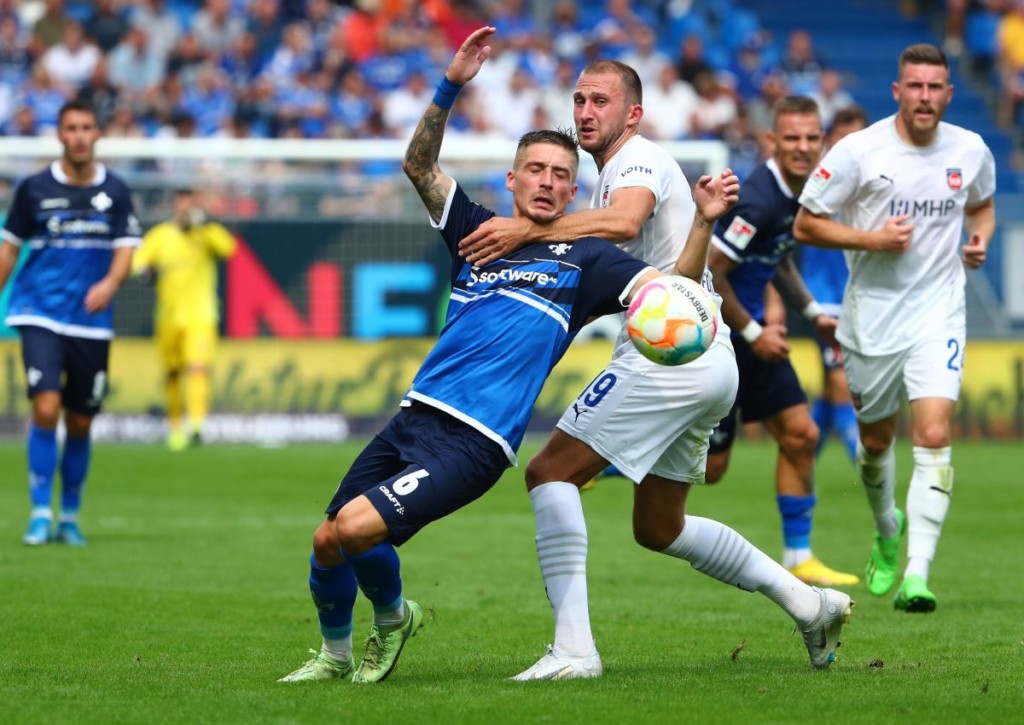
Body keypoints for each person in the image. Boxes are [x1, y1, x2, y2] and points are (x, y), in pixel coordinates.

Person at [277, 26, 744, 685]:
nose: (549, 182)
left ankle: (392, 620)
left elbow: (669, 290)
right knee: (330, 540)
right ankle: (337, 652)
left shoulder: (585, 259)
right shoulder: (478, 231)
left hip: (474, 443)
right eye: (537, 171)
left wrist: (700, 227)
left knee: (356, 526)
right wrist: (451, 85)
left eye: (562, 175)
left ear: (574, 189)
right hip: (414, 416)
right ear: (513, 177)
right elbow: (418, 165)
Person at [458, 56, 852, 680]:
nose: (586, 112)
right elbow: (663, 270)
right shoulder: (607, 178)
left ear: (632, 114)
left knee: (549, 472)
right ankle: (811, 605)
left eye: (601, 102)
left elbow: (623, 222)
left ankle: (574, 652)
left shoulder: (634, 162)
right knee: (658, 526)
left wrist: (523, 230)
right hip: (705, 354)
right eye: (580, 99)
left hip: (668, 358)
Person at [794, 44, 996, 613]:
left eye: (935, 87)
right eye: (915, 86)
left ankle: (917, 572)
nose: (925, 97)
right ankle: (887, 531)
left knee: (932, 434)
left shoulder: (971, 149)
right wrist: (871, 239)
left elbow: (980, 206)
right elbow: (806, 223)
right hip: (872, 317)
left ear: (949, 94)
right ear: (897, 91)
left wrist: (980, 240)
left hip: (939, 310)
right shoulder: (859, 152)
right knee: (877, 442)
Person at [704, 96, 859, 588]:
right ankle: (611, 460)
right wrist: (752, 332)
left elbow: (778, 256)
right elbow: (712, 271)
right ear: (773, 140)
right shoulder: (758, 199)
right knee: (710, 470)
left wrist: (812, 312)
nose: (803, 147)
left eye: (812, 138)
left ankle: (798, 556)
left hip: (755, 339)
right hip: (725, 338)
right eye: (792, 138)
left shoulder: (804, 192)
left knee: (801, 435)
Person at [0, 99, 141, 547]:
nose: (79, 135)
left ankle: (71, 516)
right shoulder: (34, 189)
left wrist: (111, 283)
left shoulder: (115, 191)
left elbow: (126, 246)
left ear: (97, 134)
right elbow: (9, 249)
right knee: (45, 406)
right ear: (59, 135)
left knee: (80, 421)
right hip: (38, 310)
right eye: (71, 128)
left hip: (90, 321)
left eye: (86, 127)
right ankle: (41, 512)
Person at [132, 188, 237, 451]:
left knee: (198, 367)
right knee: (173, 373)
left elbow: (228, 248)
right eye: (181, 206)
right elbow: (138, 262)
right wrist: (146, 271)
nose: (185, 211)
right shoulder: (160, 235)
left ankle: (197, 426)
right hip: (168, 316)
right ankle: (176, 428)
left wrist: (207, 225)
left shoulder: (205, 234)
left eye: (190, 206)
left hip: (201, 314)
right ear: (174, 208)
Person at [798, 105, 869, 463]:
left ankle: (806, 450)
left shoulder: (876, 179)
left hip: (861, 295)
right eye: (844, 139)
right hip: (824, 299)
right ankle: (864, 460)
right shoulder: (818, 180)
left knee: (834, 382)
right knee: (841, 377)